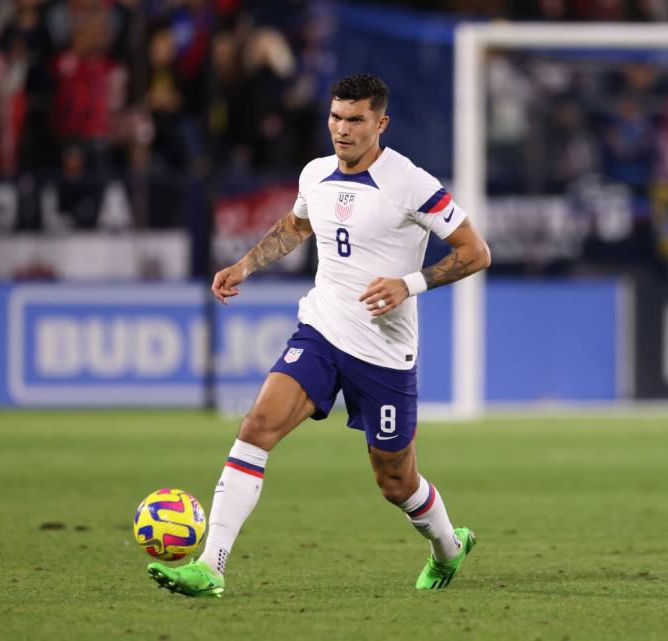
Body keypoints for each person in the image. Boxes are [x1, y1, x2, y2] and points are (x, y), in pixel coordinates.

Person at [148, 73, 491, 597]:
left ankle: (448, 546)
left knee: (394, 480)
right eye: (336, 117)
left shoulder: (411, 183)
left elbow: (475, 251)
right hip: (322, 331)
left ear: (381, 123)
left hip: (384, 352)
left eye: (356, 120)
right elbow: (298, 226)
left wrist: (410, 284)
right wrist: (243, 266)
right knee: (257, 426)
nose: (343, 129)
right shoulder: (315, 174)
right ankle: (211, 567)